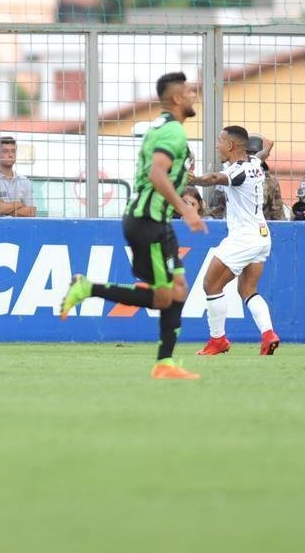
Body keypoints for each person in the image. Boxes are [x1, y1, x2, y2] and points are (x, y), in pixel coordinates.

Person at [61, 71, 207, 380]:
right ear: (177, 98)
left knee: (179, 289)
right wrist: (187, 210)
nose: (195, 95)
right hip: (147, 223)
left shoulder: (161, 128)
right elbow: (157, 173)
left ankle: (165, 363)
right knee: (165, 297)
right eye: (190, 91)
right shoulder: (173, 133)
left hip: (158, 223)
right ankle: (88, 287)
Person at [188, 126, 280, 356]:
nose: (217, 145)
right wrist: (267, 148)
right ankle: (268, 334)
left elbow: (215, 178)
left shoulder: (236, 171)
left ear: (230, 146)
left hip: (243, 238)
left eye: (220, 141)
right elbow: (260, 155)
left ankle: (218, 340)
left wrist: (196, 179)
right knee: (248, 289)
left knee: (211, 285)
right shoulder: (255, 163)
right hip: (261, 236)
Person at [207, 133, 285, 221]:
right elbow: (214, 212)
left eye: (255, 153)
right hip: (234, 226)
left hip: (259, 228)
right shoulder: (228, 176)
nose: (252, 156)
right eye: (248, 152)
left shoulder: (270, 181)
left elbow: (278, 214)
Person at [0, 136, 36, 217]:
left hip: (19, 229)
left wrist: (3, 207)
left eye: (13, 151)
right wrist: (19, 204)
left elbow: (32, 212)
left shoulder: (24, 181)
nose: (10, 155)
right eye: (5, 151)